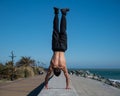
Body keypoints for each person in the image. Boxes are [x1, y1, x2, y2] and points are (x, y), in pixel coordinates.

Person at [45, 7, 70, 89]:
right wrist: (46, 85)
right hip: (55, 47)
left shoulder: (63, 67)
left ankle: (63, 13)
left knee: (63, 30)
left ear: (59, 71)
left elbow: (67, 77)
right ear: (54, 71)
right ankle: (56, 12)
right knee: (55, 29)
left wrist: (67, 86)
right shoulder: (52, 66)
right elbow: (47, 76)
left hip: (62, 48)